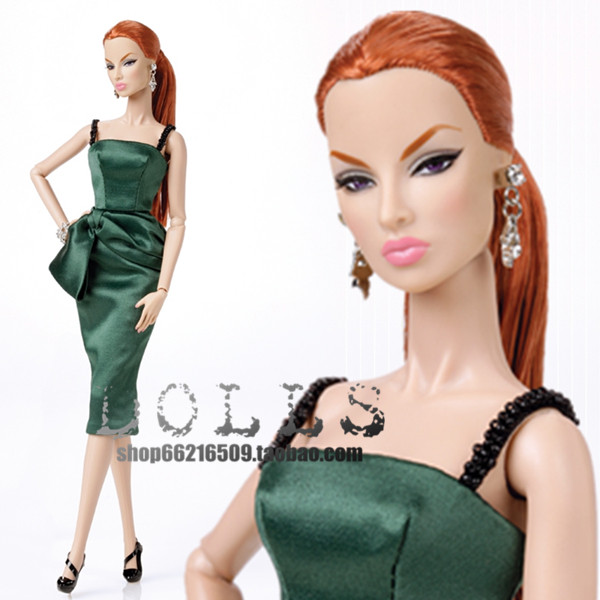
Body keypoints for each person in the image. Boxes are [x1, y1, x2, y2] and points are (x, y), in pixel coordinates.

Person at [184, 11, 596, 600]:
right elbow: (207, 568)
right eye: (356, 180)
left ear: (500, 168)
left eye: (432, 163)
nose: (390, 211)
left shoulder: (539, 445)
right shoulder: (323, 407)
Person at [30, 20, 187, 593]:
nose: (117, 75)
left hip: (140, 276)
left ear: (152, 65)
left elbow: (179, 220)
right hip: (97, 273)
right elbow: (37, 172)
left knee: (104, 399)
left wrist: (163, 290)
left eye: (126, 62)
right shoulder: (96, 130)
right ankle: (129, 542)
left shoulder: (170, 141)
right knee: (115, 404)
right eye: (108, 65)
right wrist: (66, 227)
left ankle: (76, 552)